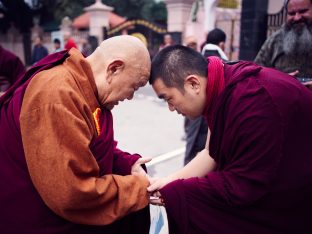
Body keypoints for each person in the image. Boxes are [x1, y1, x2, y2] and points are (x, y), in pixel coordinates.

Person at [148, 45, 312, 233]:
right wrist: (169, 182)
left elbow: (243, 186)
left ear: (193, 84)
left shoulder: (253, 102)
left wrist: (177, 193)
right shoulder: (219, 83)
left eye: (169, 98)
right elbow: (211, 153)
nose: (170, 108)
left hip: (298, 195)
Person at [0, 35, 152, 233]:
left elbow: (87, 145)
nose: (131, 97)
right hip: (33, 219)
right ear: (113, 69)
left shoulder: (85, 87)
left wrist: (127, 163)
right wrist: (138, 188)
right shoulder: (57, 94)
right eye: (134, 87)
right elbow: (72, 194)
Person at [255, 0, 312, 88]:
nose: (297, 18)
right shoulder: (274, 41)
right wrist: (279, 80)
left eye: (303, 11)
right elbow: (256, 74)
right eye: (292, 13)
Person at [183, 36, 208, 165]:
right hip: (187, 108)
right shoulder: (181, 62)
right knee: (191, 139)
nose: (191, 46)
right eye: (189, 44)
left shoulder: (200, 60)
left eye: (194, 44)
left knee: (197, 142)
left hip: (198, 107)